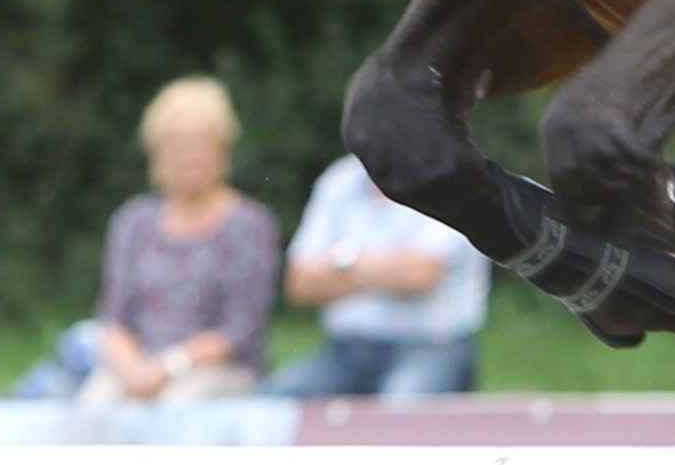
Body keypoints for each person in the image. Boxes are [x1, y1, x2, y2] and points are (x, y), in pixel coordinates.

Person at [75, 78, 281, 406]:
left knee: (180, 406)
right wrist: (133, 369)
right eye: (176, 143)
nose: (188, 155)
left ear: (222, 149)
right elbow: (113, 319)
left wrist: (168, 367)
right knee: (96, 402)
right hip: (138, 365)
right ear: (156, 152)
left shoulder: (250, 225)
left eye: (199, 143)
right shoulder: (133, 222)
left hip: (216, 372)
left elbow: (241, 329)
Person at [264, 153, 489, 398]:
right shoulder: (340, 180)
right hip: (347, 352)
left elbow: (418, 274)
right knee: (272, 404)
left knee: (398, 415)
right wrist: (388, 270)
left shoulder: (453, 178)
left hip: (435, 348)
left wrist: (342, 260)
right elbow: (300, 284)